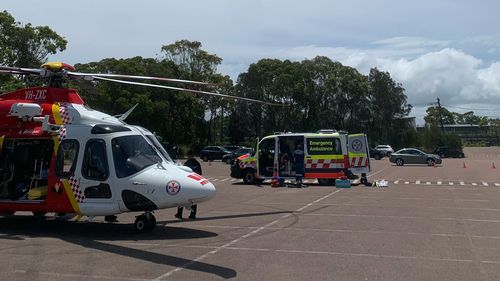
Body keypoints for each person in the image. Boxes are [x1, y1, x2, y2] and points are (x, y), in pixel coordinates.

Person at [175, 150, 201, 220]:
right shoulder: (197, 163)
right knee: (194, 201)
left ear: (189, 155)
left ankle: (179, 214)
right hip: (195, 184)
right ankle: (192, 215)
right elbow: (200, 174)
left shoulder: (186, 163)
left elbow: (183, 174)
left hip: (187, 184)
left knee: (182, 199)